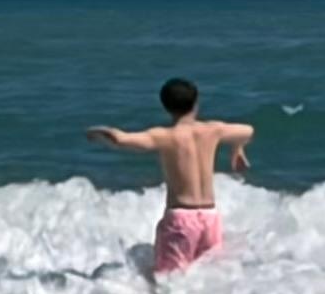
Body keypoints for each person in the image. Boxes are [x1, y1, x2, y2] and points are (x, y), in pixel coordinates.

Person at [86, 76, 255, 275]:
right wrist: (237, 149)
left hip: (182, 219)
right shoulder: (213, 130)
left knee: (168, 280)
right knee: (208, 279)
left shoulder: (164, 136)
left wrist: (96, 131)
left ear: (165, 106)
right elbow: (247, 131)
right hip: (210, 218)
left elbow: (121, 139)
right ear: (196, 103)